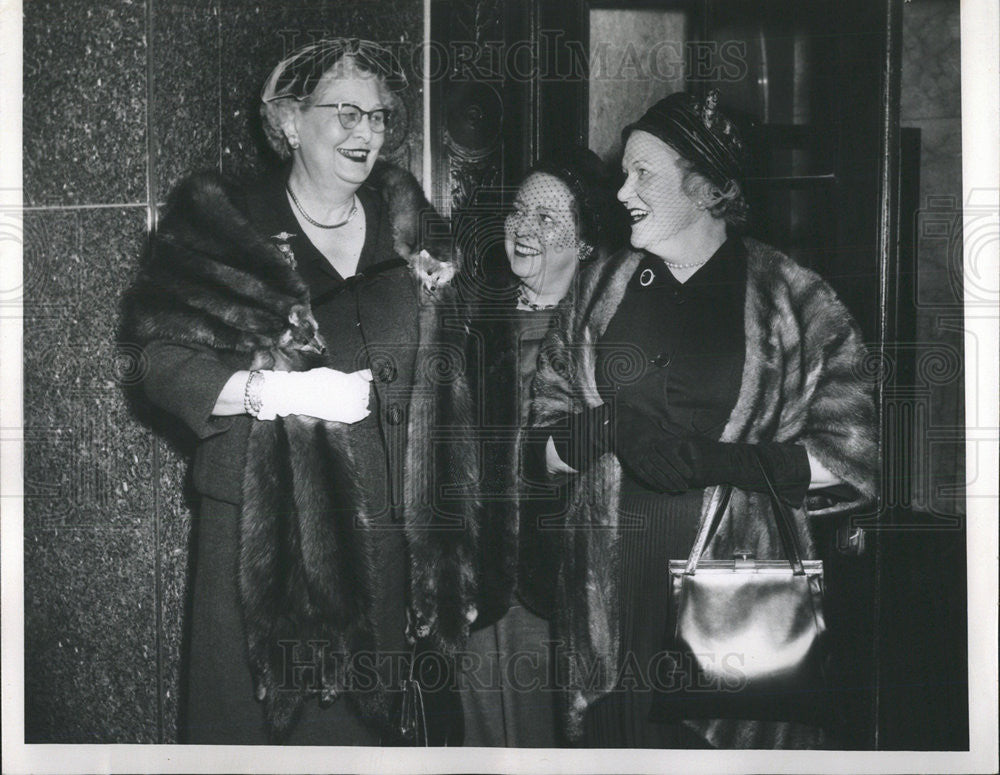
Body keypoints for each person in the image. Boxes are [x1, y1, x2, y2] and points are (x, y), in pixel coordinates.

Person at [125, 38, 478, 745]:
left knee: (366, 737)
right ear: (288, 121)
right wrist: (270, 392)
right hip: (268, 543)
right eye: (346, 113)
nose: (366, 133)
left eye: (377, 117)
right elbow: (156, 361)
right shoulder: (223, 222)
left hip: (383, 544)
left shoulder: (412, 230)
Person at [526, 90, 878, 749]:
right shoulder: (597, 290)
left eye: (643, 173)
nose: (622, 189)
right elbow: (534, 451)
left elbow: (855, 466)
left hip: (740, 610)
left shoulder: (794, 298)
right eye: (623, 171)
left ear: (708, 188)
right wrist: (609, 428)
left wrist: (726, 461)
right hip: (611, 602)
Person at [458, 148, 628, 747]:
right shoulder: (469, 320)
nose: (523, 227)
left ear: (585, 243)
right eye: (518, 210)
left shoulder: (610, 329)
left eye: (548, 217)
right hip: (481, 578)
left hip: (570, 579)